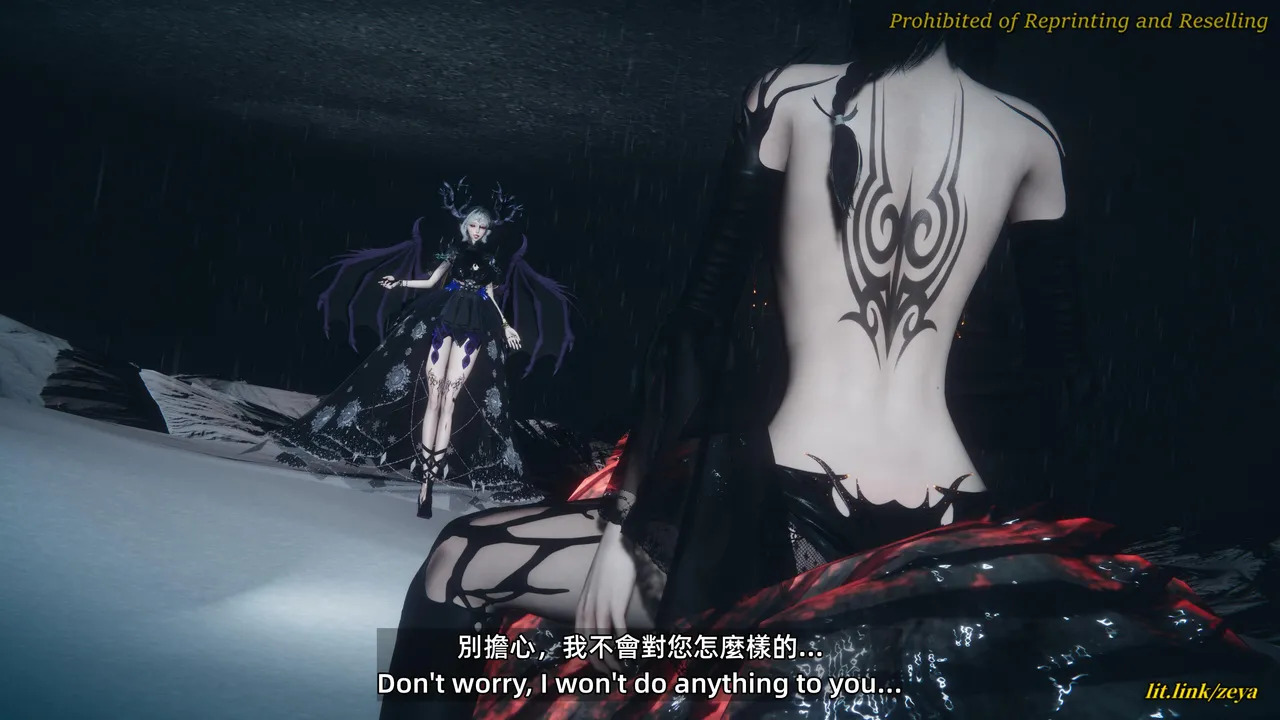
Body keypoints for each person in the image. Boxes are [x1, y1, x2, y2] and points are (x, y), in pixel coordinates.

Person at [380, 3, 1279, 718]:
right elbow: (1062, 372)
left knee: (460, 560)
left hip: (781, 515)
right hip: (948, 523)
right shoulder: (1032, 136)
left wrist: (626, 523)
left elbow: (697, 324)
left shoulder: (792, 96)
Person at [274, 181, 574, 518]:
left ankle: (430, 474)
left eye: (482, 227)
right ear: (466, 226)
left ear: (487, 231)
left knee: (449, 399)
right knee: (435, 396)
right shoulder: (454, 253)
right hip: (445, 317)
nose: (477, 230)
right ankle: (426, 482)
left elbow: (490, 296)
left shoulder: (490, 261)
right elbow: (431, 282)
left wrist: (505, 325)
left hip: (475, 325)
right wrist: (399, 282)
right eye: (473, 225)